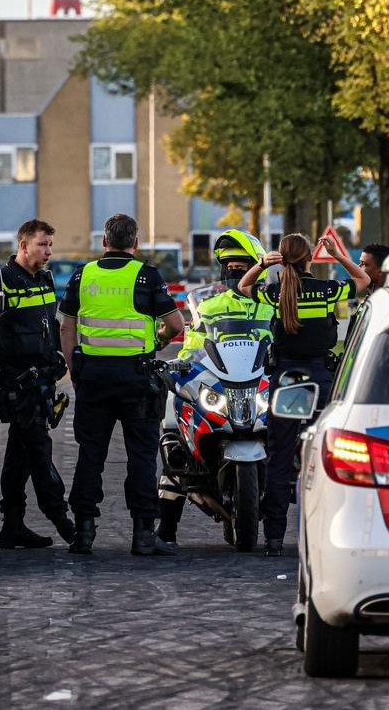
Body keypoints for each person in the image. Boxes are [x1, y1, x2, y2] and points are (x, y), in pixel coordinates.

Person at [57, 213, 187, 556]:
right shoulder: (146, 276)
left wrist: (74, 369)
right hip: (136, 378)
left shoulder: (82, 275)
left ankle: (83, 532)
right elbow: (176, 323)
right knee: (141, 457)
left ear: (104, 241)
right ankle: (143, 535)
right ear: (136, 243)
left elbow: (65, 327)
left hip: (93, 379)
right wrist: (159, 340)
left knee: (91, 454)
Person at [239, 232, 370, 556]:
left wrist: (260, 264)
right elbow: (363, 279)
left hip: (286, 380)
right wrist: (338, 256)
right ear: (310, 256)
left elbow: (242, 287)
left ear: (282, 259)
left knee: (280, 459)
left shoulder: (274, 292)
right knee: (327, 456)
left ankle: (273, 537)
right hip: (321, 379)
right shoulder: (326, 291)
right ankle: (327, 533)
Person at [157, 228, 273, 546]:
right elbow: (194, 343)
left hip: (256, 379)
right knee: (173, 431)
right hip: (219, 381)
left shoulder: (270, 303)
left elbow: (278, 340)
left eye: (243, 264)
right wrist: (182, 364)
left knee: (300, 440)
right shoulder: (208, 304)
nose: (236, 271)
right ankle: (165, 530)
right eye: (231, 265)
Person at [0, 220, 75, 550]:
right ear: (23, 245)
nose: (49, 251)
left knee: (19, 454)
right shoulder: (2, 281)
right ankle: (63, 520)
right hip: (18, 383)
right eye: (42, 244)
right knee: (39, 452)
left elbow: (47, 326)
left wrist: (55, 358)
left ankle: (12, 525)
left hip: (42, 382)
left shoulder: (45, 280)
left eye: (50, 244)